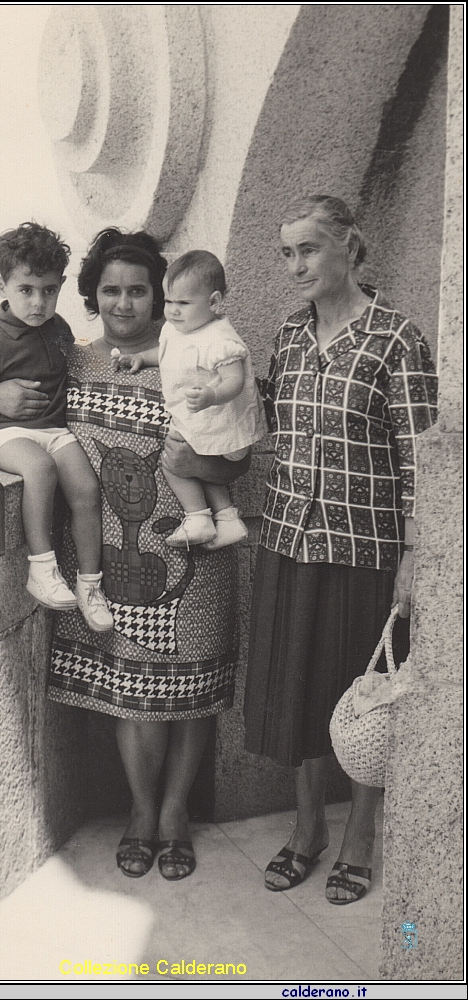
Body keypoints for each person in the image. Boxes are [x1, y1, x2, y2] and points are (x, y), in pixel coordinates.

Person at [0, 228, 250, 881]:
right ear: (92, 297)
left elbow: (239, 454)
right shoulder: (66, 363)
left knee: (189, 696)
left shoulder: (199, 358)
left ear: (160, 295)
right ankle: (139, 811)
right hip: (107, 563)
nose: (125, 303)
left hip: (193, 555)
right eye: (111, 291)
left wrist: (197, 458)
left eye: (138, 290)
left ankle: (173, 814)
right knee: (129, 698)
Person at [244, 196, 437, 903]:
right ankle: (305, 831)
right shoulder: (289, 339)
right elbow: (268, 430)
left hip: (365, 551)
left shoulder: (396, 339)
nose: (295, 265)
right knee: (295, 696)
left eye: (308, 250)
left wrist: (414, 557)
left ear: (347, 248)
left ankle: (359, 835)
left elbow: (418, 460)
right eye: (286, 253)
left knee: (361, 703)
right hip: (290, 542)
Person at [0, 222, 113, 632]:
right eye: (26, 290)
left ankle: (89, 585)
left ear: (60, 285)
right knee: (40, 470)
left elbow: (74, 364)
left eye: (48, 290)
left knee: (86, 487)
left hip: (54, 429)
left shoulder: (58, 329)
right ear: (1, 285)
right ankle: (41, 568)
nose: (38, 302)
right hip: (7, 435)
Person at [113, 250, 262, 550]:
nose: (173, 310)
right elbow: (169, 354)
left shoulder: (219, 339)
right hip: (206, 424)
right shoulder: (178, 329)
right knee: (199, 457)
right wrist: (141, 357)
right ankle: (228, 519)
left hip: (220, 420)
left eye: (183, 303)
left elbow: (235, 379)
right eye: (169, 301)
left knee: (172, 460)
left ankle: (197, 517)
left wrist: (212, 395)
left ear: (214, 302)